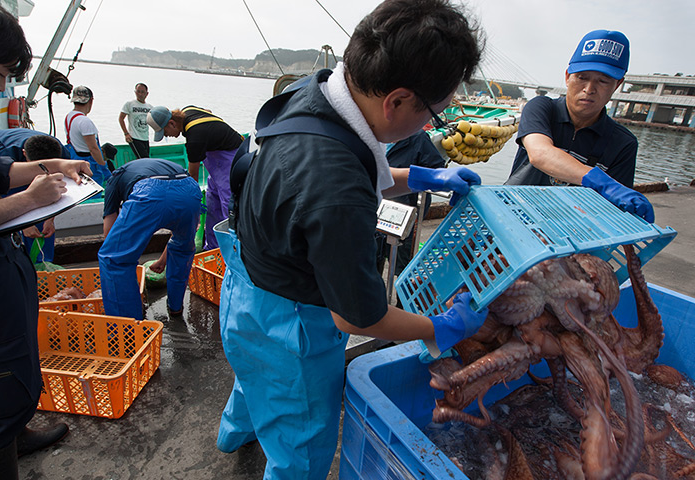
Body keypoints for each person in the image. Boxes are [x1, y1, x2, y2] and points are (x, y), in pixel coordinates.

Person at [215, 1, 487, 478]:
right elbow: (359, 315)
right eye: (434, 113)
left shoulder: (317, 89)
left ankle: (231, 436)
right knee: (300, 445)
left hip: (243, 283)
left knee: (253, 377)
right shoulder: (336, 191)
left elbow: (330, 176)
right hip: (291, 323)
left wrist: (420, 177)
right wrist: (440, 327)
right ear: (398, 100)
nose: (430, 126)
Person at [0, 2, 93, 476]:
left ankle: (16, 432)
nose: (3, 86)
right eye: (1, 73)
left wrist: (53, 166)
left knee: (12, 378)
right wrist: (30, 201)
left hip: (3, 281)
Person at [506, 29, 654, 223]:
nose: (589, 89)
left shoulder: (623, 143)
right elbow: (540, 153)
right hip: (511, 215)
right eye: (582, 77)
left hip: (571, 231)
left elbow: (611, 212)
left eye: (603, 81)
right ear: (568, 77)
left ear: (617, 85)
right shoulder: (542, 108)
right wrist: (603, 182)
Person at [98, 158, 201, 320]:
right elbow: (179, 236)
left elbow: (109, 233)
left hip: (149, 192)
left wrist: (123, 259)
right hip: (190, 189)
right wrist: (162, 261)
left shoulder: (114, 178)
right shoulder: (163, 166)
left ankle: (128, 325)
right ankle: (175, 308)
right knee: (183, 249)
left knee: (114, 260)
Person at [147, 104, 242, 250]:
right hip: (216, 165)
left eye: (165, 133)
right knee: (212, 205)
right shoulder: (187, 110)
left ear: (172, 123)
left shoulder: (195, 138)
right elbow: (208, 112)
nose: (167, 136)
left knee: (228, 208)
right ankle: (212, 247)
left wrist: (192, 204)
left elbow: (193, 177)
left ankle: (232, 250)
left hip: (230, 159)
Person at [0, 128, 70, 264]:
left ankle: (43, 263)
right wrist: (21, 225)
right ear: (24, 154)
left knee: (41, 225)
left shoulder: (61, 153)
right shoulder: (1, 154)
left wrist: (50, 218)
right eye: (40, 170)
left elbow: (60, 186)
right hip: (8, 174)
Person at [375, 129, 445, 278]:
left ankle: (403, 299)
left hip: (404, 214)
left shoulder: (417, 138)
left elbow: (435, 169)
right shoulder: (373, 135)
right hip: (375, 212)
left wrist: (438, 178)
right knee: (374, 258)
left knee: (403, 266)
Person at [64, 85, 112, 188]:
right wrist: (104, 168)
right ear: (91, 100)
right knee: (94, 191)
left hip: (75, 161)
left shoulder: (69, 117)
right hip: (90, 166)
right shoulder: (85, 121)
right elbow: (93, 149)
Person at [118, 83, 152, 159]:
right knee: (144, 159)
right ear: (135, 92)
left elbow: (155, 121)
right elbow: (121, 118)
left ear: (147, 94)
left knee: (145, 159)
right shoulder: (130, 104)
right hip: (134, 137)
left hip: (145, 138)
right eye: (138, 91)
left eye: (142, 92)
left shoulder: (149, 107)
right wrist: (126, 134)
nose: (140, 94)